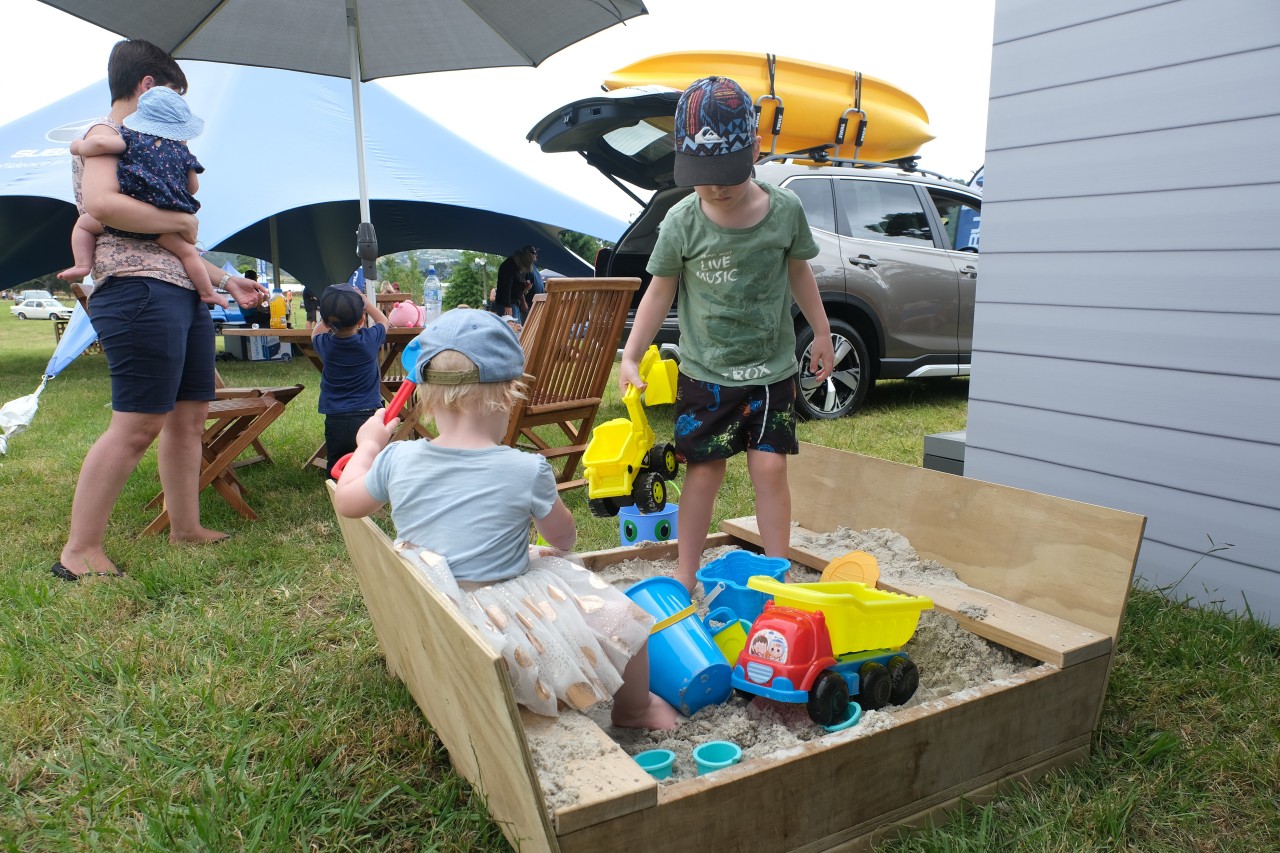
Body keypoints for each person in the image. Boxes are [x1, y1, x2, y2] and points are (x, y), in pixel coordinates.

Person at [334, 309, 678, 729]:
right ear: (507, 397)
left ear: (425, 397)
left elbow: (347, 502)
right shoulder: (525, 469)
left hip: (440, 615)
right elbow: (565, 539)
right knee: (624, 620)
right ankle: (635, 709)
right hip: (511, 628)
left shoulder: (396, 458)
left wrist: (368, 446)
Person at [54, 39, 269, 581]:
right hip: (135, 289)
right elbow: (101, 206)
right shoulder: (106, 139)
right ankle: (79, 552)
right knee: (139, 420)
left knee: (189, 414)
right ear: (149, 87)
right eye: (175, 93)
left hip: (179, 288)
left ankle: (185, 526)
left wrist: (226, 280)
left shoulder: (157, 146)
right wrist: (180, 224)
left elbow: (175, 239)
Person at [619, 76, 835, 594]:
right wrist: (632, 355)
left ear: (755, 152)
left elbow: (800, 274)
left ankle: (777, 574)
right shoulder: (680, 222)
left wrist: (823, 334)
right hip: (706, 372)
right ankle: (685, 574)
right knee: (703, 473)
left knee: (769, 469)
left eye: (726, 175)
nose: (715, 187)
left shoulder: (785, 212)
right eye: (702, 175)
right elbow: (658, 293)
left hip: (771, 370)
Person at [58, 86, 224, 309]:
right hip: (168, 218)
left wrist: (78, 146)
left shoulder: (130, 139)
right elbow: (192, 188)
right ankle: (208, 293)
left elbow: (98, 144)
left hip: (134, 212)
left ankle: (82, 264)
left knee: (84, 225)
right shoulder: (184, 154)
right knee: (188, 253)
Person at [312, 283, 389, 480]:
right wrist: (366, 303)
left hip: (335, 415)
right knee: (368, 457)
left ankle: (337, 490)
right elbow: (383, 321)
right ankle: (368, 490)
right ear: (362, 320)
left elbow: (315, 333)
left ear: (327, 322)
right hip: (366, 413)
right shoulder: (369, 341)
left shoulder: (325, 344)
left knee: (336, 460)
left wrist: (327, 319)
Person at [491, 245, 535, 322]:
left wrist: (525, 288)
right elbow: (506, 286)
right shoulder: (509, 266)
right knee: (513, 330)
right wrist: (507, 305)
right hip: (507, 305)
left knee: (517, 329)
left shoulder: (520, 266)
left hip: (514, 304)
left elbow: (517, 286)